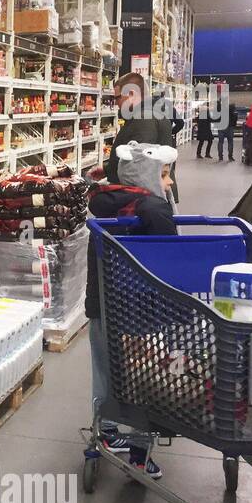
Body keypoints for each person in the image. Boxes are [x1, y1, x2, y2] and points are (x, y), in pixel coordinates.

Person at [86, 141, 179, 479]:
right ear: (148, 174)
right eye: (165, 175)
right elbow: (169, 263)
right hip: (143, 311)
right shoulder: (154, 210)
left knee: (105, 369)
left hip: (104, 306)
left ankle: (106, 431)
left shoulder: (105, 204)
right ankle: (139, 452)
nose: (168, 183)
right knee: (145, 379)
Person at [105, 72, 179, 202]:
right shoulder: (153, 114)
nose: (116, 103)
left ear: (131, 94)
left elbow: (138, 166)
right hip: (156, 195)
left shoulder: (144, 119)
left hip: (145, 200)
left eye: (117, 98)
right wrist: (107, 170)